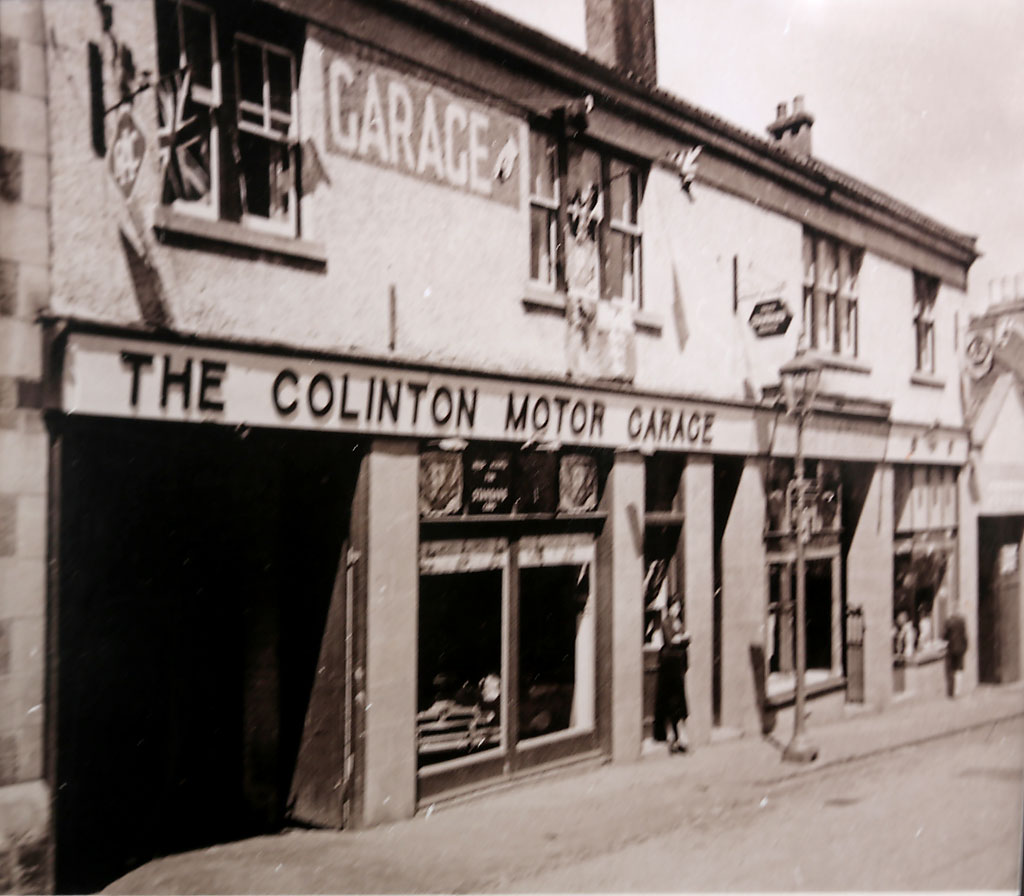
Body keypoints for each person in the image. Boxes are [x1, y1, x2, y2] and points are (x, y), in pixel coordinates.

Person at [654, 594, 690, 754]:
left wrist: (682, 638)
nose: (677, 609)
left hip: (678, 667)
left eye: (679, 606)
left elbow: (682, 639)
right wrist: (683, 638)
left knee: (679, 704)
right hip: (668, 668)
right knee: (670, 703)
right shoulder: (666, 622)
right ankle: (671, 738)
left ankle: (680, 739)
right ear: (669, 607)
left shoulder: (678, 622)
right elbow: (671, 641)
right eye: (675, 606)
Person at [943, 610, 968, 697]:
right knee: (959, 669)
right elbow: (965, 635)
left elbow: (945, 636)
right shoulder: (962, 621)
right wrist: (965, 646)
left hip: (952, 648)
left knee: (952, 669)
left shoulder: (949, 622)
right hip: (961, 648)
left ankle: (951, 691)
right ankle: (958, 690)